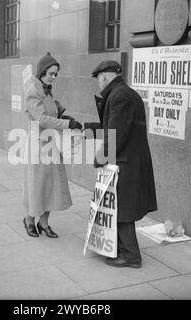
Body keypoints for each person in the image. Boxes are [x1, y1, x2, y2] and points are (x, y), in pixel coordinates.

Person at [84, 60, 157, 268]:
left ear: (105, 76)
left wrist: (100, 158)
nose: (98, 82)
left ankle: (131, 256)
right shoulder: (124, 93)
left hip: (126, 162)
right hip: (129, 159)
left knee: (122, 209)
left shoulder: (119, 96)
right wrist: (88, 129)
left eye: (98, 78)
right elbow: (114, 125)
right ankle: (120, 249)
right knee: (119, 207)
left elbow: (116, 134)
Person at [22, 52, 83, 238]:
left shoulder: (46, 90)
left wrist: (65, 117)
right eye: (51, 73)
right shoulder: (33, 90)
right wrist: (67, 124)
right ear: (42, 71)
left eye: (56, 74)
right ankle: (29, 219)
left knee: (52, 185)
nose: (53, 77)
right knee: (37, 184)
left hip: (52, 144)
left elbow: (52, 114)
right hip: (39, 145)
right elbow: (41, 119)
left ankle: (44, 222)